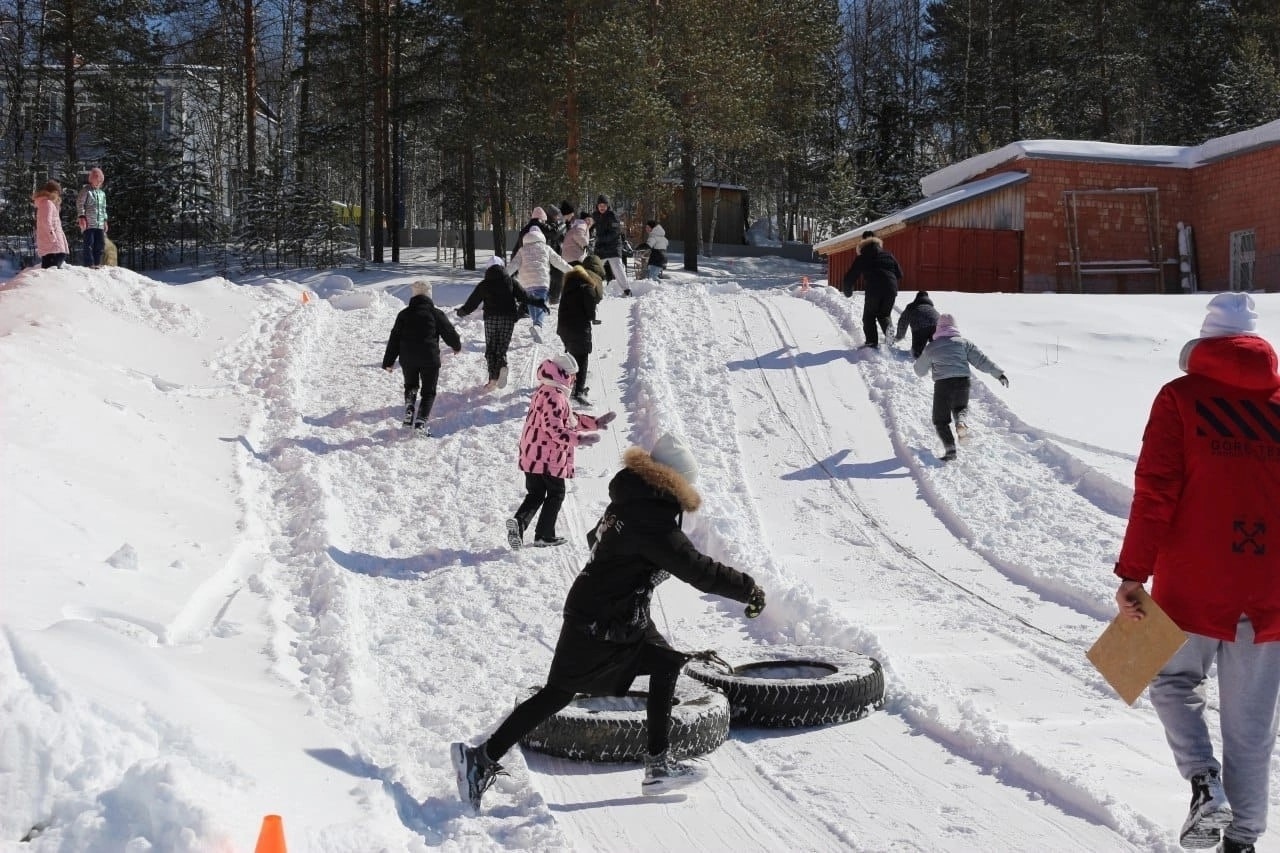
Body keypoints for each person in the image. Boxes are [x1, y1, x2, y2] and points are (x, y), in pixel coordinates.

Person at [454, 433, 767, 810]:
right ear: (675, 482)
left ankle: (657, 766)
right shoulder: (653, 520)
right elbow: (697, 570)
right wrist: (748, 589)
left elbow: (594, 539)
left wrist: (628, 572)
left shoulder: (630, 501)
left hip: (620, 614)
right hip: (598, 620)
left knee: (667, 664)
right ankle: (482, 759)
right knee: (559, 692)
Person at [1114, 292, 1280, 853]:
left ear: (1205, 340)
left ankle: (1204, 781)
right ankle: (1243, 843)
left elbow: (1155, 492)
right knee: (1252, 728)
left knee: (1171, 679)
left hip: (1191, 583)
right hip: (1270, 591)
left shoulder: (1180, 398)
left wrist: (1133, 574)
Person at [505, 353, 613, 549]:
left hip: (532, 454)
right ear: (563, 374)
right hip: (547, 456)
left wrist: (594, 423)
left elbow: (569, 419)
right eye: (573, 375)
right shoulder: (555, 396)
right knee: (556, 493)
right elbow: (555, 429)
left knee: (536, 493)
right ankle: (544, 535)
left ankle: (519, 523)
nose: (574, 379)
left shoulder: (546, 391)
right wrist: (579, 439)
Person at [912, 313, 1007, 461]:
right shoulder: (964, 343)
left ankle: (950, 450)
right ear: (954, 326)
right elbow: (981, 360)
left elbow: (919, 371)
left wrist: (926, 361)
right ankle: (961, 423)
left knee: (940, 420)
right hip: (963, 382)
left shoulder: (932, 347)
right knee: (960, 408)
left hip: (943, 385)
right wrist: (999, 374)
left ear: (938, 328)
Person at [381, 280, 462, 434]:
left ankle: (410, 406)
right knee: (428, 392)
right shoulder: (436, 313)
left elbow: (394, 338)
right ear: (429, 294)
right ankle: (420, 422)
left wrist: (389, 362)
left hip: (408, 358)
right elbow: (448, 332)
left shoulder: (404, 314)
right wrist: (456, 346)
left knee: (410, 386)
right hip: (429, 358)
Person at [455, 257, 545, 392]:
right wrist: (540, 303)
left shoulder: (484, 284)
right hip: (508, 319)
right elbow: (525, 296)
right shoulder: (511, 281)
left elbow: (472, 303)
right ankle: (502, 364)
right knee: (501, 347)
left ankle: (493, 379)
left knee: (491, 348)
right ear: (502, 266)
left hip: (491, 319)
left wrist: (461, 312)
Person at [508, 225, 573, 344]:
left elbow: (514, 264)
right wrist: (572, 271)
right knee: (541, 305)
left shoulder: (522, 249)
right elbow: (559, 262)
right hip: (540, 281)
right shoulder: (545, 248)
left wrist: (503, 274)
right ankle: (538, 325)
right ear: (541, 236)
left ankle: (536, 325)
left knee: (533, 304)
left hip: (526, 284)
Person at [557, 255, 606, 404]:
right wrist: (593, 318)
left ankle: (568, 384)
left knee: (572, 356)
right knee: (583, 358)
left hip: (564, 328)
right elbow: (590, 312)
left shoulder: (567, 287)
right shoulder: (587, 288)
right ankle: (578, 392)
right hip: (579, 328)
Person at [842, 230, 903, 348]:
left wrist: (848, 291)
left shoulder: (863, 257)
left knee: (869, 317)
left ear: (862, 245)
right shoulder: (888, 255)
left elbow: (850, 276)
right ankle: (889, 336)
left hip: (874, 290)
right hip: (891, 289)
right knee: (884, 314)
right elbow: (900, 274)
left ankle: (871, 342)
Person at [591, 195, 631, 296]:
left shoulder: (613, 215)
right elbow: (590, 227)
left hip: (613, 246)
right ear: (597, 206)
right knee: (595, 268)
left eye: (604, 205)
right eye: (600, 205)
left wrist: (600, 238)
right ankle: (591, 289)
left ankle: (627, 290)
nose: (602, 207)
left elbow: (615, 233)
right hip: (601, 247)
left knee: (617, 268)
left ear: (608, 206)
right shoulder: (595, 215)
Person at [32, 181, 69, 269]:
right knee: (55, 262)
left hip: (52, 241)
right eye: (57, 193)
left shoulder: (50, 203)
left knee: (55, 260)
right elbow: (46, 221)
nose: (59, 196)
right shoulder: (47, 203)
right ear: (54, 192)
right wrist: (52, 236)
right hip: (51, 241)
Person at [76, 167, 108, 268]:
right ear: (91, 180)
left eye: (100, 181)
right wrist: (81, 216)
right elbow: (80, 203)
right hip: (89, 223)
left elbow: (103, 208)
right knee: (89, 243)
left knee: (100, 244)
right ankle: (89, 263)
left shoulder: (102, 193)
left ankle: (97, 262)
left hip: (99, 223)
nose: (98, 183)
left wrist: (105, 221)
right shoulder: (86, 191)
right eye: (96, 180)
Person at [895, 291, 940, 358]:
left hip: (920, 327)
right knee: (937, 351)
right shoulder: (931, 307)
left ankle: (919, 358)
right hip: (937, 326)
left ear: (916, 298)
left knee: (917, 354)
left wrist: (899, 336)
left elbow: (903, 321)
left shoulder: (911, 306)